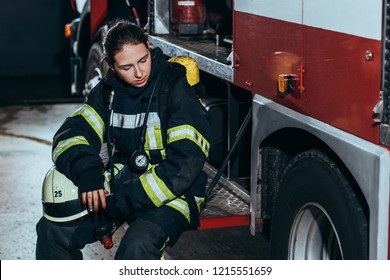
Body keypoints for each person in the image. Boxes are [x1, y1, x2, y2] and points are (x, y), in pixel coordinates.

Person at [35, 19, 212, 260]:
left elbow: (184, 166)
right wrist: (88, 172)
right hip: (120, 190)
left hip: (172, 196)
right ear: (111, 66)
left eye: (143, 60)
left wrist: (124, 201)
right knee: (52, 232)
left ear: (149, 49)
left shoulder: (174, 87)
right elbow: (71, 134)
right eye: (126, 67)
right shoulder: (109, 92)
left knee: (137, 247)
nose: (139, 73)